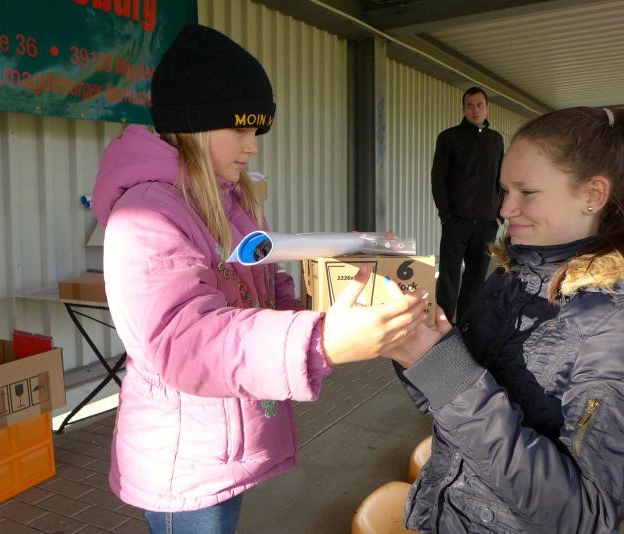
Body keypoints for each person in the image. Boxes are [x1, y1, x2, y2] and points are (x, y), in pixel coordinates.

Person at [91, 24, 426, 533]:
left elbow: (269, 292)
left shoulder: (232, 201)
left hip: (221, 440)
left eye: (258, 133)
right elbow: (185, 342)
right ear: (196, 123)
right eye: (242, 130)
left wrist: (334, 307)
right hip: (184, 459)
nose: (252, 148)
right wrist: (321, 340)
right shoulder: (147, 215)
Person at [389, 107, 624, 533]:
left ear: (593, 195)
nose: (505, 209)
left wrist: (445, 373)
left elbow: (586, 515)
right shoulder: (519, 271)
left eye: (527, 192)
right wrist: (410, 341)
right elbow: (447, 401)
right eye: (504, 190)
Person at [431, 86, 504, 322]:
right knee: (449, 276)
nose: (475, 110)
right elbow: (438, 180)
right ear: (463, 109)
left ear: (487, 108)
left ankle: (466, 327)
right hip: (457, 222)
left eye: (479, 105)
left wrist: (499, 215)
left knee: (476, 277)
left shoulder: (495, 140)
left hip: (486, 224)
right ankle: (443, 325)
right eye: (470, 106)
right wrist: (446, 216)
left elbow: (501, 179)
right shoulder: (449, 138)